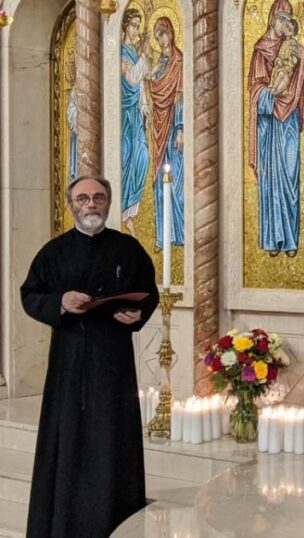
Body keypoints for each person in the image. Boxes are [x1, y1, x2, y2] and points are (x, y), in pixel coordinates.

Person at [21, 175, 159, 537]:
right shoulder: (54, 252)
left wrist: (138, 315)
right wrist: (60, 302)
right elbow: (30, 295)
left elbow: (148, 292)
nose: (91, 204)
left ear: (108, 203)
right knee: (69, 440)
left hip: (113, 362)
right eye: (83, 198)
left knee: (113, 437)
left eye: (98, 197)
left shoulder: (128, 249)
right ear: (71, 206)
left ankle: (116, 517)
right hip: (69, 362)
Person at [248, 0, 304, 257]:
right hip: (268, 126)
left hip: (288, 123)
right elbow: (254, 92)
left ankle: (290, 240)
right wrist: (270, 92)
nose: (285, 23)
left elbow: (303, 76)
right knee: (269, 179)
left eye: (289, 19)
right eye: (282, 18)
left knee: (289, 175)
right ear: (272, 19)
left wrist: (299, 61)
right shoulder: (260, 51)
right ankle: (272, 239)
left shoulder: (297, 50)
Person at [149, 16, 185, 250]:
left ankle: (180, 233)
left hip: (173, 127)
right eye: (158, 35)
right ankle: (163, 236)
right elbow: (150, 93)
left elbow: (181, 95)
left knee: (178, 183)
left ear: (172, 33)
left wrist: (181, 128)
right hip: (157, 128)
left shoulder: (179, 61)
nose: (162, 39)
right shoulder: (158, 64)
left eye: (164, 33)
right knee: (159, 183)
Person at [120, 8, 151, 237]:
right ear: (124, 26)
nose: (136, 30)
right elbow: (131, 78)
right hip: (124, 118)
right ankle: (124, 214)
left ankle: (130, 210)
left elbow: (140, 85)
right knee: (128, 156)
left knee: (142, 157)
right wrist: (144, 57)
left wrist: (144, 105)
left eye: (138, 26)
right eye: (133, 25)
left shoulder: (133, 52)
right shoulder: (121, 51)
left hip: (136, 115)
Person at [269, 19, 301, 97]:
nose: (286, 29)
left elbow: (294, 59)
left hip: (287, 67)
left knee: (283, 74)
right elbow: (279, 56)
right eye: (287, 27)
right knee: (281, 74)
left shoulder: (293, 43)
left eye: (289, 29)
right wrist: (278, 61)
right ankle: (274, 89)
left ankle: (275, 90)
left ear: (293, 33)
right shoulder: (284, 43)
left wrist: (285, 63)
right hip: (280, 67)